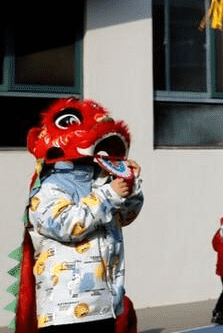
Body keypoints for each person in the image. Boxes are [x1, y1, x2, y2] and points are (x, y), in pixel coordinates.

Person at [25, 99, 143, 333]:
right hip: (64, 312)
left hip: (105, 304)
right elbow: (65, 224)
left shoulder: (100, 180)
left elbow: (126, 215)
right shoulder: (49, 186)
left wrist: (131, 184)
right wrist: (108, 194)